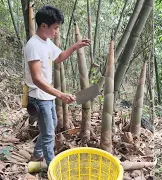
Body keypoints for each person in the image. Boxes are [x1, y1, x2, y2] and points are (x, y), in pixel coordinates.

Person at [24, 6, 91, 166]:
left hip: (47, 95)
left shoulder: (46, 42)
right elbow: (37, 79)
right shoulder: (33, 45)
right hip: (39, 97)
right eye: (55, 28)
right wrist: (60, 94)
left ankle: (36, 156)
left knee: (52, 125)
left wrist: (76, 46)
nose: (56, 32)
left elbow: (59, 57)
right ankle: (52, 167)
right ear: (44, 26)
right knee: (48, 133)